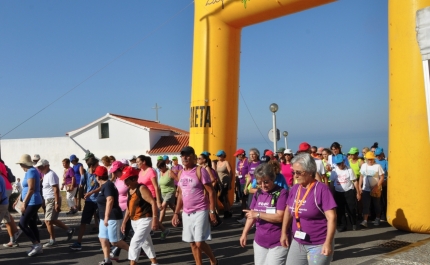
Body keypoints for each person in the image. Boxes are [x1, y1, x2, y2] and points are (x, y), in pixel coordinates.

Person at [280, 153, 337, 265]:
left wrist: (328, 242)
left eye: (298, 172)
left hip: (318, 243)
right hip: (298, 241)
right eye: (293, 172)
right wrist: (283, 233)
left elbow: (332, 218)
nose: (295, 175)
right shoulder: (295, 189)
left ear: (310, 172)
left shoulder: (321, 189)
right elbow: (288, 211)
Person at [171, 146, 218, 265]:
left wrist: (212, 212)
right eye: (183, 155)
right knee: (192, 243)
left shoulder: (200, 170)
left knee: (199, 242)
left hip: (200, 210)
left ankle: (213, 261)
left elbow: (211, 192)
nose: (185, 157)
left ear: (194, 157)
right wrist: (176, 213)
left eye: (187, 155)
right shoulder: (181, 172)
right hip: (186, 212)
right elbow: (181, 194)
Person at [240, 163, 289, 265]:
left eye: (266, 182)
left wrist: (258, 214)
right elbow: (251, 215)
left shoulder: (282, 193)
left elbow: (280, 217)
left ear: (273, 178)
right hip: (260, 241)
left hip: (278, 241)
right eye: (259, 183)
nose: (263, 186)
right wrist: (244, 233)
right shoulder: (258, 193)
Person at [120, 166, 160, 265]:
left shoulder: (141, 188)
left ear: (134, 179)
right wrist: (124, 222)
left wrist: (155, 219)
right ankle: (154, 262)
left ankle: (133, 263)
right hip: (134, 220)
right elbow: (129, 208)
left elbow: (153, 203)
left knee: (135, 242)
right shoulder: (130, 190)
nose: (125, 183)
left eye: (127, 180)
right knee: (146, 242)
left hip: (145, 219)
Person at [36, 159, 75, 247]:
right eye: (38, 168)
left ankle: (52, 240)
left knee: (48, 221)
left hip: (52, 199)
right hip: (48, 199)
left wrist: (57, 203)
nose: (39, 169)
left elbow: (56, 189)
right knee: (52, 220)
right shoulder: (46, 174)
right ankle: (69, 230)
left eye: (40, 167)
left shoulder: (51, 175)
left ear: (46, 166)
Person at [95, 165, 129, 265]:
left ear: (98, 177)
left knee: (115, 241)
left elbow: (110, 200)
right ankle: (107, 260)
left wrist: (106, 217)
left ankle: (134, 252)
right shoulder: (104, 186)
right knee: (103, 238)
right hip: (103, 217)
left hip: (112, 217)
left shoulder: (108, 185)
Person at [15, 154, 44, 256]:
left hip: (33, 201)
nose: (21, 167)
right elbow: (25, 189)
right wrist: (19, 199)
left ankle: (36, 245)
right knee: (32, 224)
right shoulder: (29, 171)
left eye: (21, 164)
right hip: (31, 201)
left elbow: (31, 189)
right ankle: (38, 245)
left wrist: (24, 203)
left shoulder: (31, 171)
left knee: (22, 224)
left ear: (24, 164)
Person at [70, 157, 101, 251]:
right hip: (89, 202)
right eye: (97, 164)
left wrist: (91, 192)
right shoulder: (86, 175)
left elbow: (102, 186)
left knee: (101, 223)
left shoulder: (98, 175)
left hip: (98, 201)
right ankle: (78, 242)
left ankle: (105, 243)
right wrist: (78, 202)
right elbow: (80, 187)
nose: (98, 166)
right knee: (83, 222)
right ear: (92, 166)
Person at [329, 154, 359, 232]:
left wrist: (358, 192)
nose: (339, 165)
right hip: (338, 192)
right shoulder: (334, 171)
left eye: (340, 163)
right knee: (340, 210)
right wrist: (331, 193)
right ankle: (343, 225)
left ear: (343, 162)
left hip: (349, 191)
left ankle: (353, 223)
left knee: (351, 208)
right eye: (338, 164)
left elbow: (355, 181)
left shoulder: (349, 170)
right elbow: (332, 182)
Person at [109, 161, 130, 260]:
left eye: (116, 171)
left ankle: (116, 252)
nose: (114, 173)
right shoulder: (117, 179)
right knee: (122, 232)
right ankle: (117, 253)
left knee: (124, 231)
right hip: (119, 208)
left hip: (127, 208)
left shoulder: (127, 180)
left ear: (121, 169)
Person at [359, 151, 384, 228]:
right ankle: (365, 220)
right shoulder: (363, 166)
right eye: (369, 159)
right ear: (366, 159)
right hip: (366, 189)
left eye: (372, 159)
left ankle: (377, 218)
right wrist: (360, 186)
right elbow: (361, 176)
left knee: (377, 204)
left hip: (376, 189)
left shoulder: (378, 166)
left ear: (374, 159)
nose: (370, 161)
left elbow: (382, 177)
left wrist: (377, 187)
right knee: (366, 205)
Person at [1, 163, 23, 248]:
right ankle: (13, 239)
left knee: (5, 215)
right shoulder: (2, 165)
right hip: (6, 189)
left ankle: (14, 235)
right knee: (6, 217)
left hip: (4, 191)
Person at [157, 159, 177, 240]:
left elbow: (178, 179)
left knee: (163, 206)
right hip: (163, 193)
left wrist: (178, 189)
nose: (160, 169)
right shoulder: (161, 173)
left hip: (170, 192)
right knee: (173, 207)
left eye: (161, 168)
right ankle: (179, 215)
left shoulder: (170, 172)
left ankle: (159, 224)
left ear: (164, 166)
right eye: (159, 168)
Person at [216, 150, 233, 219]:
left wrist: (230, 183)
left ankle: (226, 211)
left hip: (225, 182)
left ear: (223, 155)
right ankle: (228, 211)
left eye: (220, 155)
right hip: (219, 182)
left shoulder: (226, 163)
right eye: (218, 156)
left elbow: (231, 173)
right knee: (225, 197)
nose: (219, 157)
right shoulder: (217, 163)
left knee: (221, 197)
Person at [374, 147, 388, 221]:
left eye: (379, 155)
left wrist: (385, 181)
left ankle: (384, 215)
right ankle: (376, 215)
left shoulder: (386, 162)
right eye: (376, 155)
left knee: (383, 200)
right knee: (376, 200)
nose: (378, 157)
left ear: (382, 154)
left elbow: (388, 172)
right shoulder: (374, 161)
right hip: (375, 183)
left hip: (383, 183)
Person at [234, 148, 249, 218]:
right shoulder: (239, 162)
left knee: (247, 198)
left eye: (238, 155)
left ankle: (248, 213)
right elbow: (237, 171)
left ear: (242, 154)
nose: (237, 157)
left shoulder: (248, 161)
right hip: (240, 181)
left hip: (247, 182)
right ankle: (243, 212)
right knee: (242, 198)